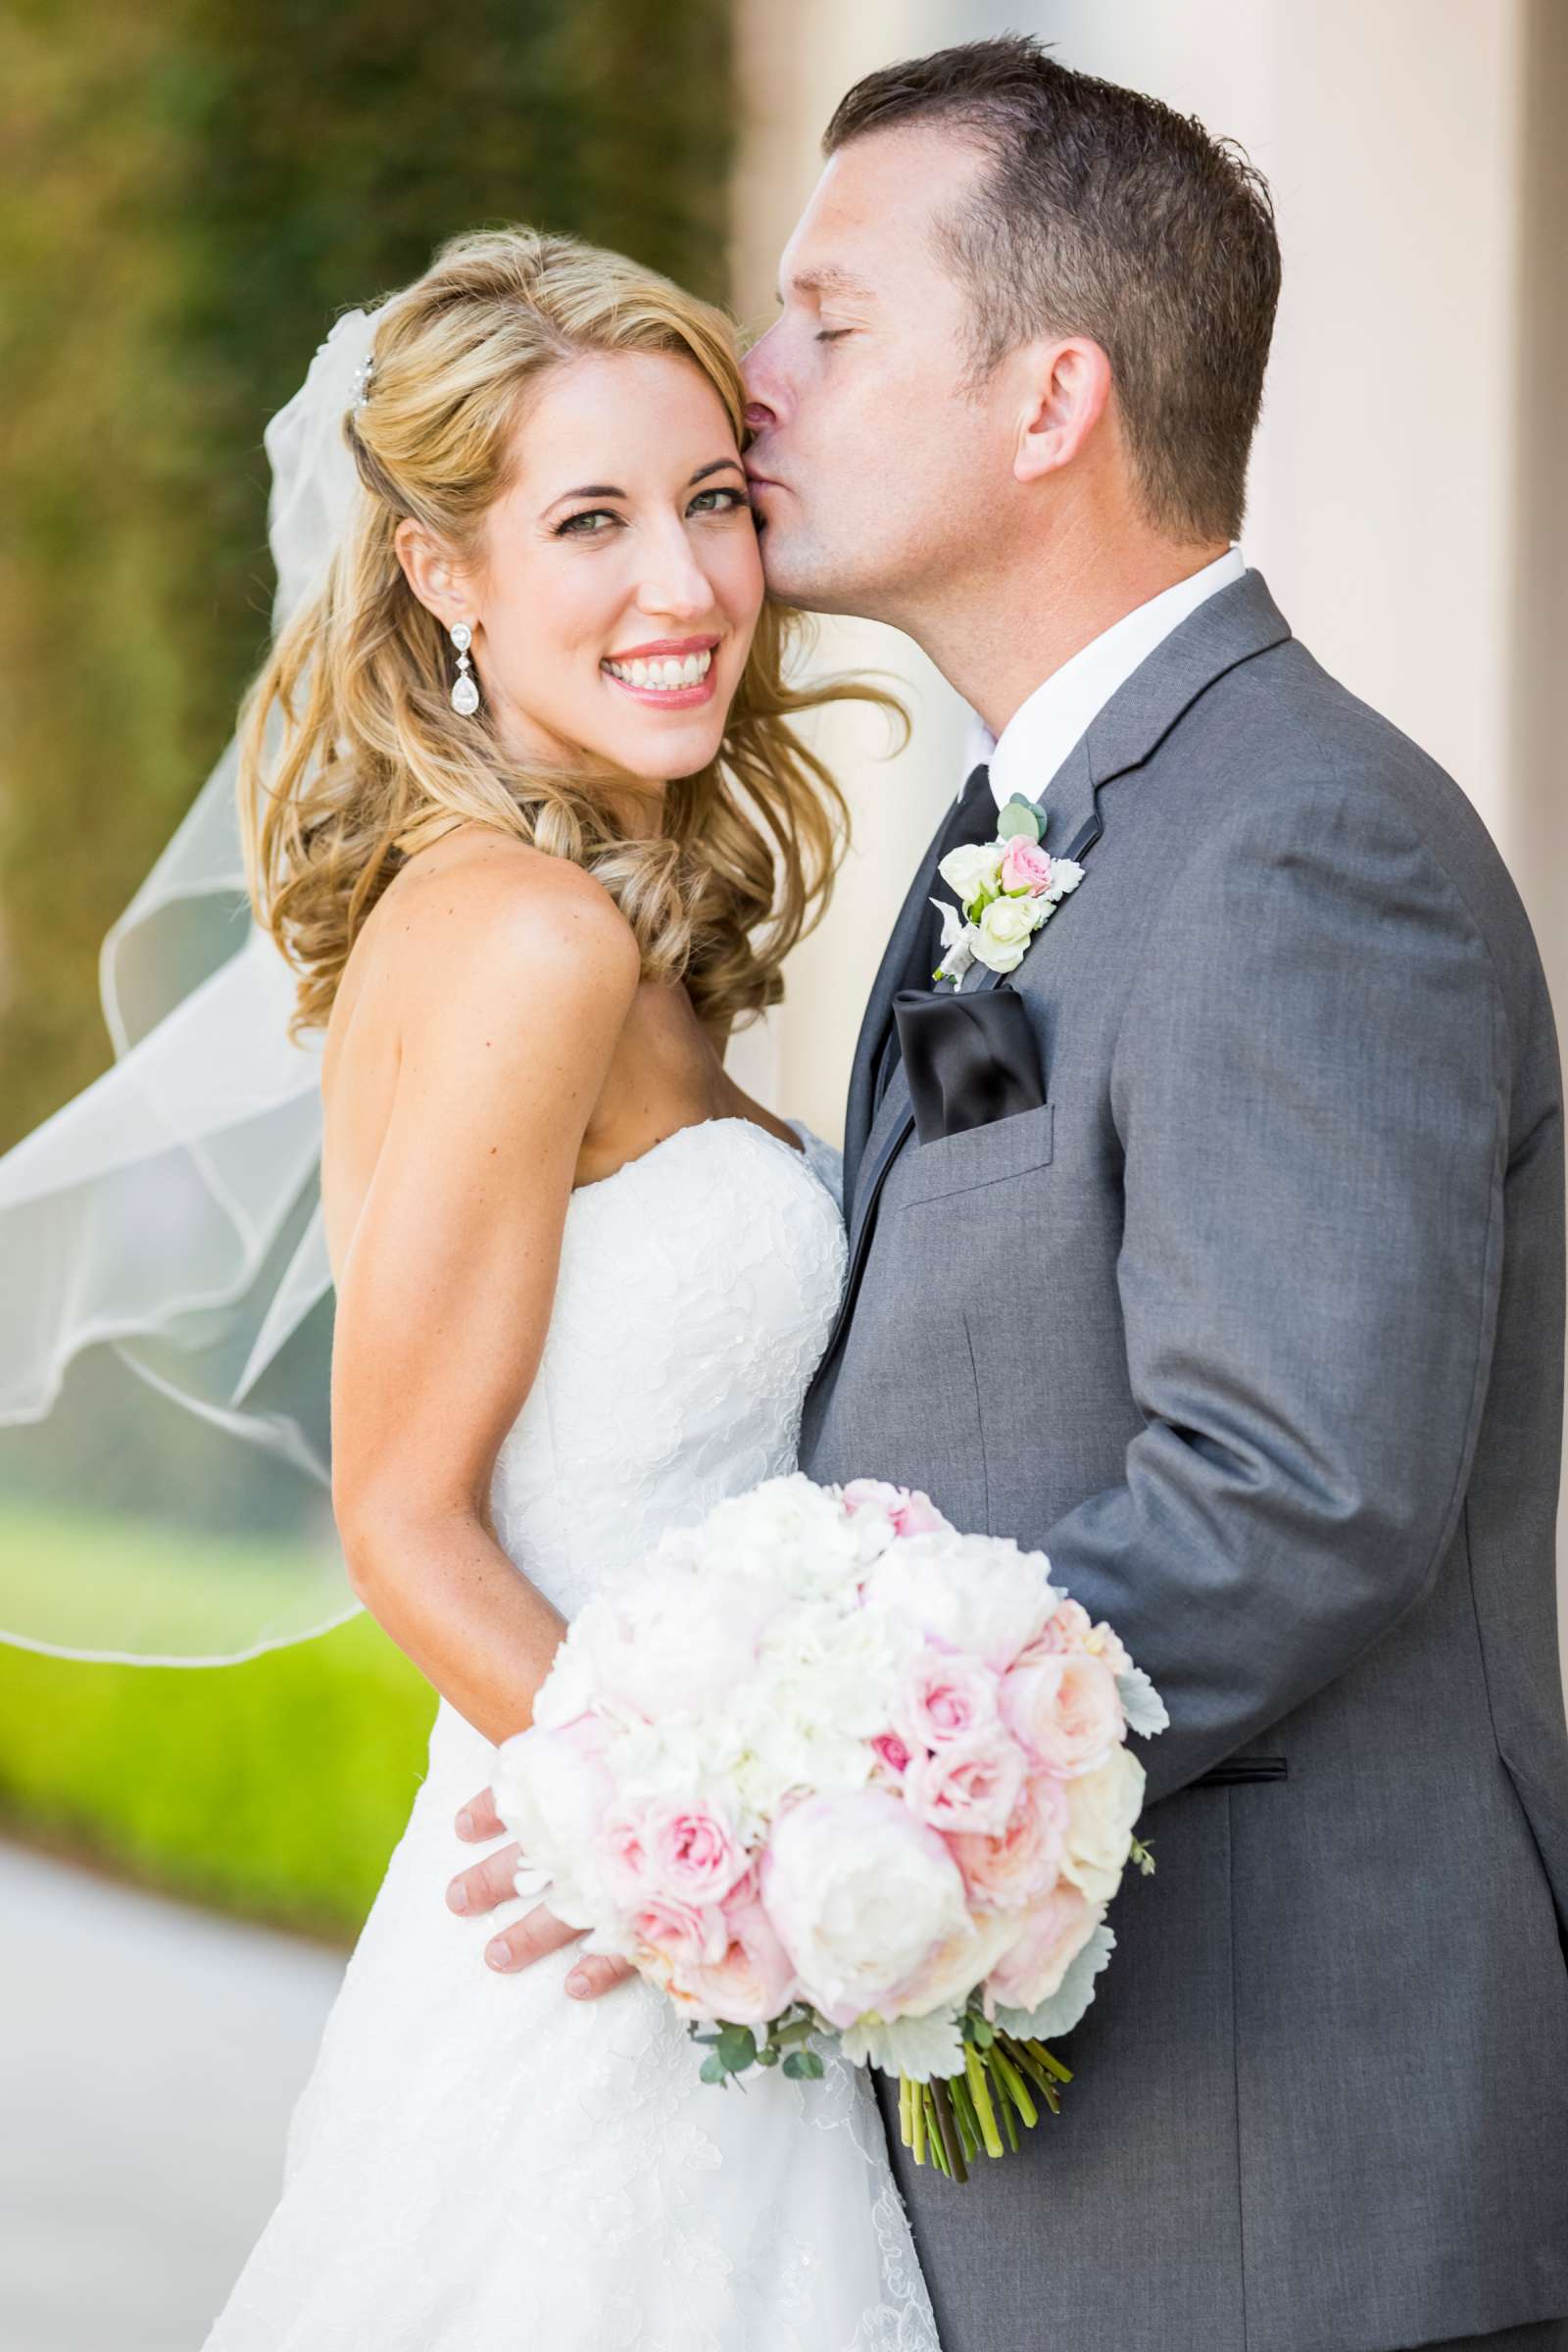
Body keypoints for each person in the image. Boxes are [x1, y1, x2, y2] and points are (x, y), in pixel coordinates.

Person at [450, 35, 1568, 2352]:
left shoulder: (1299, 845)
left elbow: (1293, 1489)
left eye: (825, 321)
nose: (747, 387)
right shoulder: (1020, 831)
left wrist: (788, 1796)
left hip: (1274, 2182)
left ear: (1048, 399)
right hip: (1054, 2146)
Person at [182, 225, 940, 2350]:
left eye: (709, 500)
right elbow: (399, 1512)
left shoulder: (585, 919)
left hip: (645, 1901)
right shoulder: (526, 940)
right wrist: (719, 1857)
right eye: (587, 521)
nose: (684, 586)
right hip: (605, 1954)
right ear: (443, 574)